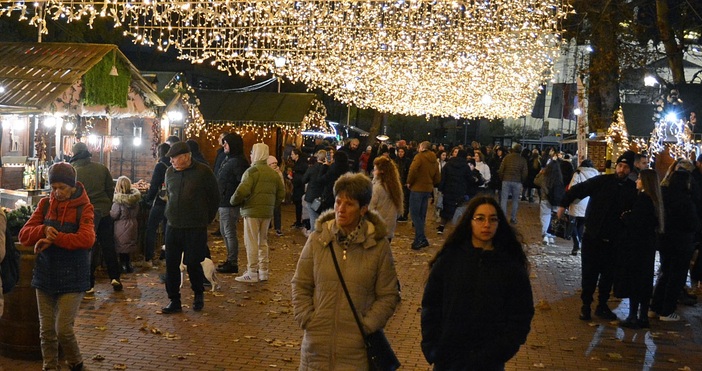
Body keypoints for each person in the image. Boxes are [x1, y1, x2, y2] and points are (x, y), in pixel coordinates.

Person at [291, 172, 400, 369]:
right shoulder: (318, 239)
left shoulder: (378, 246)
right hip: (316, 349)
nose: (340, 209)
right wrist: (307, 318)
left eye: (349, 204)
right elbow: (301, 283)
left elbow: (388, 295)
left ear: (363, 209)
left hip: (355, 353)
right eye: (338, 202)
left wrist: (366, 326)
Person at [421, 196, 534, 369]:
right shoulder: (450, 259)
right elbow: (431, 304)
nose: (486, 224)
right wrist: (433, 347)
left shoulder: (510, 266)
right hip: (449, 360)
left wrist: (501, 350)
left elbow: (520, 315)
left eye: (492, 219)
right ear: (470, 221)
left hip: (489, 362)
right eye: (480, 218)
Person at [19, 162, 96, 371]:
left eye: (62, 187)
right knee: (46, 331)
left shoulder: (84, 208)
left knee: (63, 329)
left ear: (72, 186)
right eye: (54, 187)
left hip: (73, 277)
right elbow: (24, 235)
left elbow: (87, 239)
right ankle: (49, 366)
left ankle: (75, 363)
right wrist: (43, 230)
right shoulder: (44, 205)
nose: (57, 192)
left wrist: (56, 238)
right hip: (45, 274)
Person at [557, 150, 637, 321]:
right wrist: (563, 205)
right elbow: (578, 189)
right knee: (589, 273)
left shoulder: (632, 190)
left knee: (608, 274)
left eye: (625, 167)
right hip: (593, 236)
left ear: (630, 170)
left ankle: (602, 305)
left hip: (615, 239)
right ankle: (586, 306)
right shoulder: (602, 181)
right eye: (620, 166)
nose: (622, 170)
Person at [161, 142, 220, 314]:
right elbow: (168, 194)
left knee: (193, 263)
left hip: (195, 226)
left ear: (186, 157)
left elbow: (214, 197)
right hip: (173, 225)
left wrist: (205, 218)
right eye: (170, 158)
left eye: (174, 158)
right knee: (171, 264)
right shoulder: (169, 173)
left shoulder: (203, 172)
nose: (171, 161)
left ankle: (198, 294)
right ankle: (174, 300)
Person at [614, 169, 664, 329]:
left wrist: (626, 217)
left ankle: (633, 316)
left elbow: (636, 223)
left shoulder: (643, 200)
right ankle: (642, 316)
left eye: (639, 179)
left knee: (635, 280)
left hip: (637, 246)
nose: (636, 181)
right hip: (647, 246)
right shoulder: (655, 201)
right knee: (644, 280)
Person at [70, 142, 121, 292]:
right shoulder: (102, 168)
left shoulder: (74, 172)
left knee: (88, 248)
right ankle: (115, 277)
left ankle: (89, 284)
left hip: (86, 215)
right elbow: (110, 190)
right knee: (108, 246)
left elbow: (73, 196)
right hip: (104, 213)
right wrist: (106, 205)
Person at [231, 143, 285, 282]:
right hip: (267, 212)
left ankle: (252, 272)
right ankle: (263, 271)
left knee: (251, 242)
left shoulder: (252, 172)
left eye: (251, 152)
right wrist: (272, 205)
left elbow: (241, 191)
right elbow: (281, 193)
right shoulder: (273, 174)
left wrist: (233, 201)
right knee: (263, 241)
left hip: (251, 211)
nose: (250, 155)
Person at [651, 170, 700, 322]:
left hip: (665, 241)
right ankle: (667, 310)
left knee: (665, 273)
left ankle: (655, 307)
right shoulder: (686, 200)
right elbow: (693, 223)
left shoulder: (664, 197)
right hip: (682, 242)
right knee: (676, 277)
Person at [215, 133, 249, 274]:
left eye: (226, 143)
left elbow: (242, 182)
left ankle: (232, 262)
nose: (224, 146)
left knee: (229, 232)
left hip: (229, 202)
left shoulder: (237, 161)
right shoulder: (230, 159)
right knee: (224, 231)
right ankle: (230, 259)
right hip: (224, 200)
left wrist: (233, 197)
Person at [407, 141, 441, 250]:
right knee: (422, 215)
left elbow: (413, 170)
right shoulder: (434, 160)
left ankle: (421, 238)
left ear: (422, 147)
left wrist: (409, 182)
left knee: (415, 214)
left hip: (417, 188)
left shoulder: (420, 157)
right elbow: (437, 176)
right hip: (427, 188)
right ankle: (418, 240)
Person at [141, 143, 170, 267]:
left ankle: (149, 257)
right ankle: (165, 255)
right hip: (171, 202)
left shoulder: (160, 165)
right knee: (167, 230)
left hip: (160, 201)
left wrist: (147, 200)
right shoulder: (173, 164)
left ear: (159, 153)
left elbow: (154, 186)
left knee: (151, 228)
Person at [567, 159, 599, 256]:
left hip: (577, 201)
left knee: (572, 223)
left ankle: (576, 244)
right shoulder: (596, 174)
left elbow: (571, 188)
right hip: (588, 202)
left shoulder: (578, 173)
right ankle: (577, 244)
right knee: (581, 224)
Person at [110, 176, 141, 274]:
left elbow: (114, 215)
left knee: (121, 246)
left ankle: (122, 265)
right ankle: (129, 265)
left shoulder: (118, 201)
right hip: (133, 224)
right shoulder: (135, 200)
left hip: (121, 225)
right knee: (129, 246)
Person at [370, 156, 404, 242]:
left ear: (381, 171)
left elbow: (370, 208)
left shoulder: (377, 188)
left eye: (375, 169)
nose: (373, 172)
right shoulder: (394, 186)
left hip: (377, 228)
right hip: (389, 226)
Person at [534, 160, 564, 245]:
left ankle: (546, 235)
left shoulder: (544, 176)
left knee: (545, 216)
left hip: (545, 199)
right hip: (556, 200)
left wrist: (540, 173)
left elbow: (535, 181)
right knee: (554, 217)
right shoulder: (559, 177)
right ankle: (551, 235)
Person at [498, 143, 528, 224]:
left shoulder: (507, 158)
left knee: (504, 200)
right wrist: (522, 180)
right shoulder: (522, 160)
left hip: (506, 180)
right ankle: (513, 218)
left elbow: (501, 170)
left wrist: (502, 178)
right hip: (517, 181)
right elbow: (525, 173)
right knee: (515, 200)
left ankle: (503, 218)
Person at [302, 150, 328, 233]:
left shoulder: (312, 168)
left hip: (311, 195)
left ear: (317, 157)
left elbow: (304, 180)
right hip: (322, 196)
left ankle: (314, 235)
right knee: (320, 217)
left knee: (313, 216)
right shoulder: (328, 169)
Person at [288, 148, 308, 228]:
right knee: (298, 204)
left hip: (299, 187)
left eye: (292, 154)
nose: (291, 156)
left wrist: (291, 178)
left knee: (299, 204)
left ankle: (299, 221)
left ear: (297, 155)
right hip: (298, 187)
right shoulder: (299, 164)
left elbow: (299, 178)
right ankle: (299, 220)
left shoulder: (300, 166)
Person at [267, 155, 285, 237]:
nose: (274, 164)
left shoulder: (279, 173)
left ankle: (278, 228)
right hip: (269, 195)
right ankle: (268, 226)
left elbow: (282, 185)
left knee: (277, 212)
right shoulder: (266, 172)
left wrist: (282, 196)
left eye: (275, 163)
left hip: (276, 195)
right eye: (272, 163)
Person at [394, 146, 411, 222]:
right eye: (399, 152)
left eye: (402, 152)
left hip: (404, 183)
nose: (400, 153)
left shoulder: (407, 161)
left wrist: (407, 181)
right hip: (397, 183)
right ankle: (398, 214)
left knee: (405, 200)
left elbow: (409, 172)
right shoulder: (395, 161)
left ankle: (404, 214)